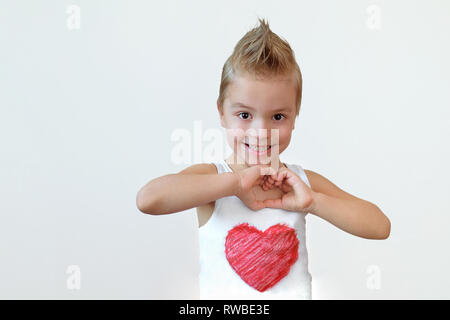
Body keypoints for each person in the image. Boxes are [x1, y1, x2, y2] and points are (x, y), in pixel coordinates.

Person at [136, 17, 391, 300]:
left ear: (295, 117)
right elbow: (149, 199)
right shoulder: (213, 179)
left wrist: (314, 202)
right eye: (244, 115)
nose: (261, 132)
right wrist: (235, 183)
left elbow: (380, 226)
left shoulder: (302, 184)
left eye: (278, 116)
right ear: (222, 112)